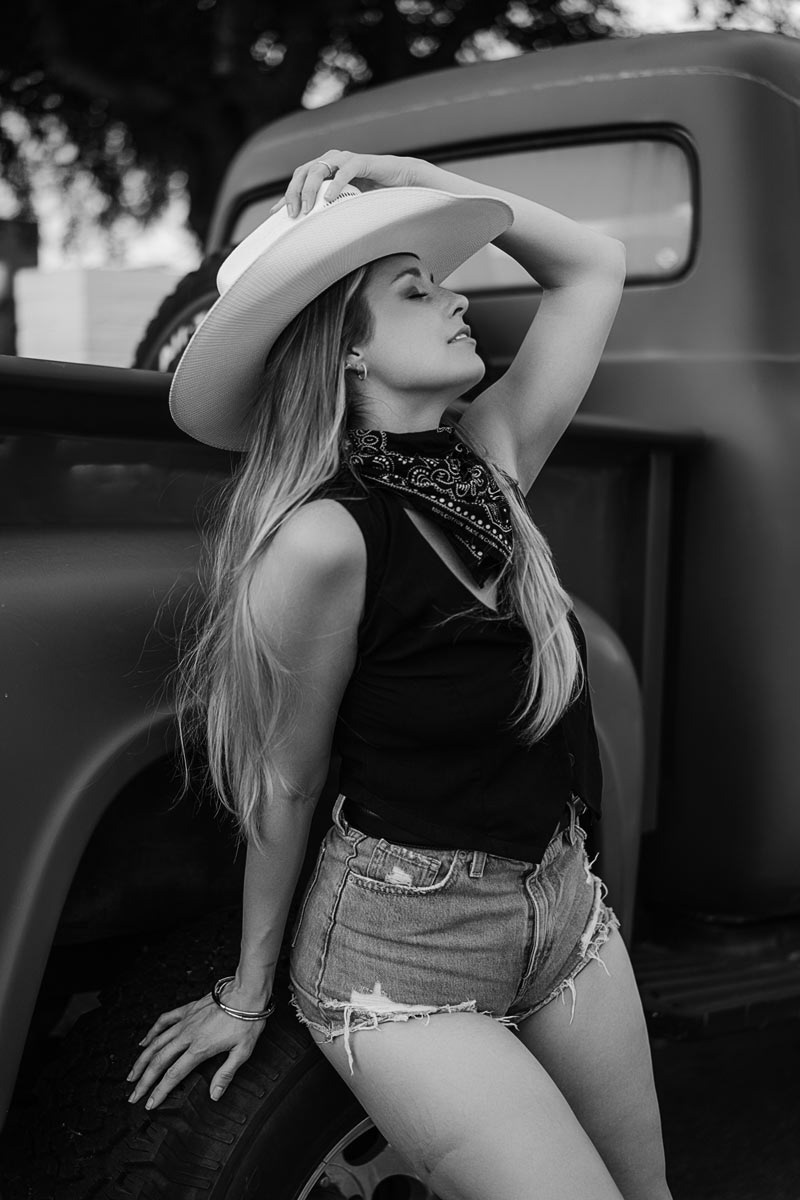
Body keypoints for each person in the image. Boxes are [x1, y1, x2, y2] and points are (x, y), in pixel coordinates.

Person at [125, 150, 672, 1200]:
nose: (458, 298)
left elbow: (591, 265)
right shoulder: (323, 539)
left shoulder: (489, 466)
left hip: (562, 909)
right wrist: (248, 990)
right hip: (402, 953)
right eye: (415, 290)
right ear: (345, 351)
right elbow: (286, 780)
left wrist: (405, 178)